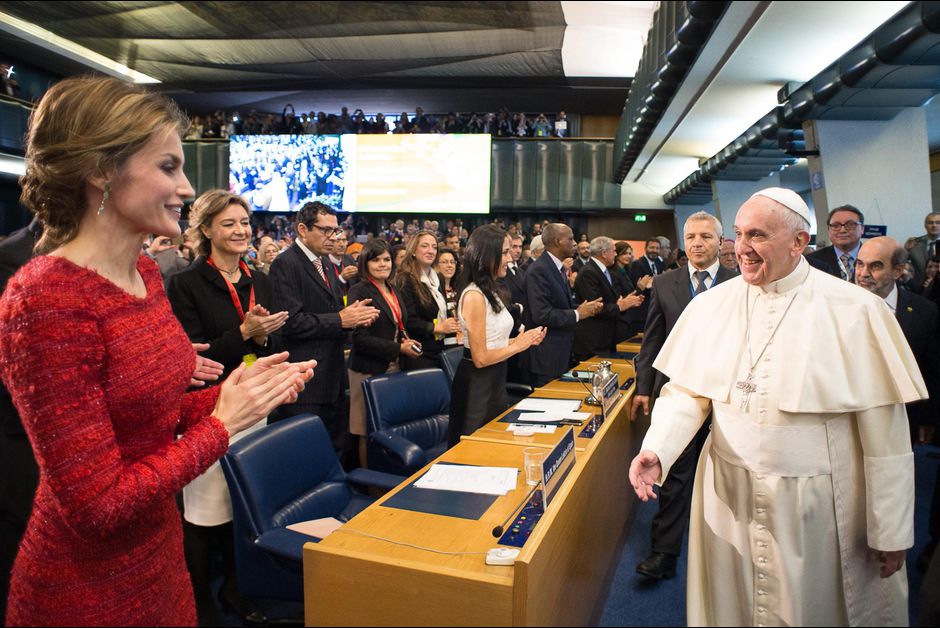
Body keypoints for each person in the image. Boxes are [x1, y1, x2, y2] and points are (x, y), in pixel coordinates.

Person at [0, 76, 313, 627]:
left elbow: (153, 416)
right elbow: (97, 506)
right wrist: (222, 423)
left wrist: (237, 395)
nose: (188, 188)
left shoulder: (142, 270)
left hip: (159, 561)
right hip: (86, 591)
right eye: (168, 167)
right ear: (100, 169)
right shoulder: (45, 297)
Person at [629, 187, 923, 626]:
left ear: (799, 242)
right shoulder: (711, 307)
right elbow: (687, 393)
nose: (741, 248)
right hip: (728, 495)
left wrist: (891, 528)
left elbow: (887, 435)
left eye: (758, 235)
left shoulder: (855, 310)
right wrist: (659, 449)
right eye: (739, 234)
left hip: (816, 504)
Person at [165, 189, 288, 624]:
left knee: (247, 508)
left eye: (244, 223)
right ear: (206, 231)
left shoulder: (259, 278)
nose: (240, 231)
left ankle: (241, 591)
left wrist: (264, 337)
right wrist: (244, 331)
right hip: (209, 408)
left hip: (257, 401)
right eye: (229, 224)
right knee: (207, 512)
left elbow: (271, 341)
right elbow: (194, 361)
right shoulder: (185, 283)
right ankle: (200, 602)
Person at [629, 212, 735, 581]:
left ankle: (723, 556)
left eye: (706, 236)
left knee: (724, 475)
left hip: (726, 396)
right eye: (691, 236)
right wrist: (643, 388)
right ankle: (664, 553)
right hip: (677, 395)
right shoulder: (665, 283)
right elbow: (652, 340)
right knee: (672, 473)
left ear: (721, 243)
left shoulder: (740, 284)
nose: (697, 243)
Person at [268, 201, 379, 456]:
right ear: (302, 229)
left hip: (332, 374)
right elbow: (291, 323)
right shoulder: (286, 264)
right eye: (326, 230)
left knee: (334, 451)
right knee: (305, 455)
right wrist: (341, 320)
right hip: (306, 380)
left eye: (336, 230)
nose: (333, 237)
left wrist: (355, 317)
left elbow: (330, 313)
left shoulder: (326, 263)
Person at [448, 225, 545, 445]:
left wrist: (522, 340)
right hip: (477, 385)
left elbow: (493, 342)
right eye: (504, 252)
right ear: (486, 254)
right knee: (474, 451)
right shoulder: (474, 295)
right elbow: (480, 357)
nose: (510, 257)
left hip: (495, 379)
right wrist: (518, 345)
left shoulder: (491, 291)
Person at [855, 236, 939, 445]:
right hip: (849, 416)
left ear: (897, 271)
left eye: (875, 266)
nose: (863, 274)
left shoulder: (924, 311)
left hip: (903, 419)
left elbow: (932, 370)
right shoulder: (834, 306)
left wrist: (928, 419)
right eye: (859, 264)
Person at [346, 239, 421, 467]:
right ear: (365, 263)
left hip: (393, 366)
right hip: (367, 369)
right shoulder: (360, 290)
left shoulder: (392, 288)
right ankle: (370, 486)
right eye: (376, 259)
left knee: (387, 429)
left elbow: (397, 324)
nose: (382, 264)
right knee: (365, 430)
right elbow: (360, 339)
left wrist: (405, 341)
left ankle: (388, 475)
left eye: (386, 259)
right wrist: (398, 348)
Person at [524, 223, 602, 387]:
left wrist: (583, 308)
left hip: (560, 351)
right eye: (571, 239)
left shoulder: (556, 267)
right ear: (557, 241)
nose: (574, 243)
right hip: (546, 356)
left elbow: (560, 304)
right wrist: (578, 314)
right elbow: (541, 314)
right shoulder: (539, 269)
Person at [393, 230, 461, 370]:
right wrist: (438, 327)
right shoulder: (405, 279)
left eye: (434, 247)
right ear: (413, 251)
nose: (431, 251)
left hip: (440, 348)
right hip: (418, 352)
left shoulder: (438, 278)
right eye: (425, 246)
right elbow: (408, 320)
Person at [573, 237, 644, 361]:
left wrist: (625, 302)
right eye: (614, 251)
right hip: (593, 340)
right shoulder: (588, 272)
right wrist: (619, 306)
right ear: (604, 253)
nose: (616, 254)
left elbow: (610, 300)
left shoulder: (603, 271)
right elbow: (594, 307)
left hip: (605, 337)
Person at [807, 204, 864, 280]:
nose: (842, 230)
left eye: (850, 224)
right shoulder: (811, 261)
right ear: (828, 230)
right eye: (835, 225)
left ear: (862, 229)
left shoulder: (876, 257)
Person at [435, 247, 462, 346]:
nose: (449, 265)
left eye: (452, 262)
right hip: (441, 344)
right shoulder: (433, 291)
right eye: (445, 262)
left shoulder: (460, 289)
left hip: (462, 343)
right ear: (436, 265)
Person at [908, 212, 940, 287]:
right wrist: (906, 250)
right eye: (930, 223)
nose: (934, 225)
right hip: (917, 288)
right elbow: (902, 262)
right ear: (925, 226)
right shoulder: (914, 243)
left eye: (938, 223)